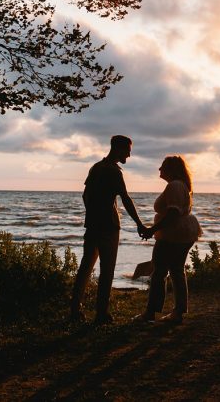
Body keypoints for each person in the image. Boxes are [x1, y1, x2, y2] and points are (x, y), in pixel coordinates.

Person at [71, 134, 149, 326]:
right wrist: (139, 224)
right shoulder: (114, 171)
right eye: (128, 151)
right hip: (109, 227)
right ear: (119, 149)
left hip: (92, 225)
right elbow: (126, 199)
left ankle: (75, 310)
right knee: (107, 270)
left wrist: (92, 213)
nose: (129, 156)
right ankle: (101, 314)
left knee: (85, 268)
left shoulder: (96, 167)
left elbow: (85, 195)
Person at [136, 155, 203, 324]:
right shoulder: (180, 186)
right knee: (176, 271)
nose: (159, 169)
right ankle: (178, 311)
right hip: (182, 232)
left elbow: (173, 213)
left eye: (162, 166)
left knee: (159, 272)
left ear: (171, 169)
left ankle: (151, 312)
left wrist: (153, 229)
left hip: (173, 233)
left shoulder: (174, 186)